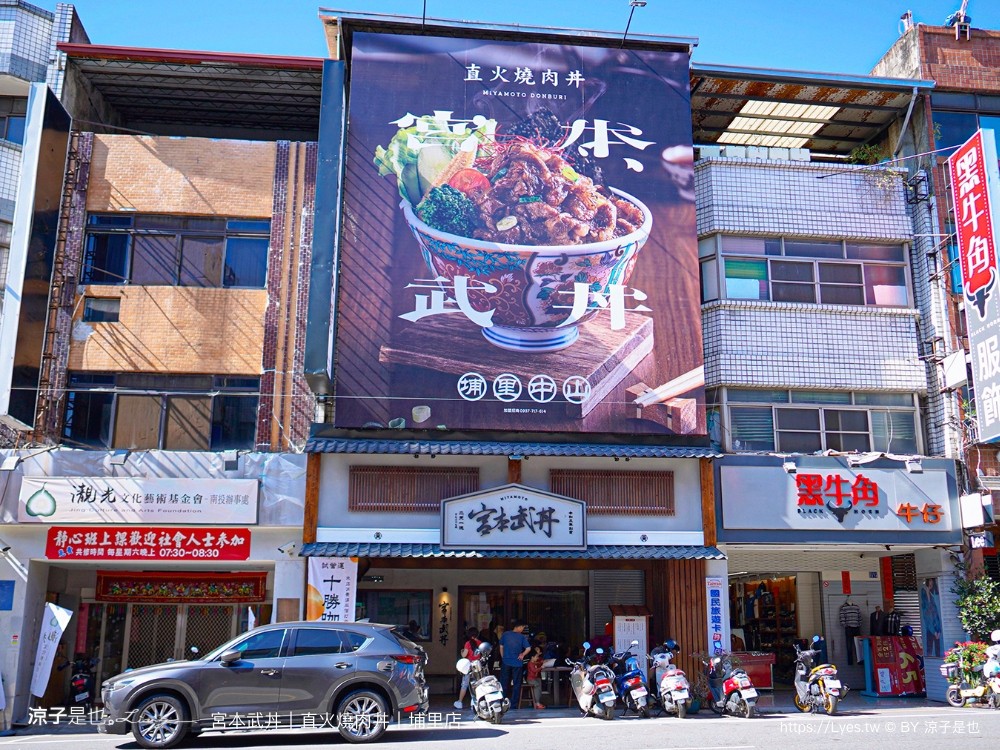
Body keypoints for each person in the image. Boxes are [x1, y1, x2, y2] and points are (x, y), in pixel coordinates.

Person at [499, 620, 531, 708]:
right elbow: (528, 648)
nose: (523, 629)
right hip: (517, 663)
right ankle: (514, 705)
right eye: (522, 627)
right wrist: (522, 654)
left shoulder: (505, 634)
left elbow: (501, 646)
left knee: (504, 683)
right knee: (517, 684)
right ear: (518, 627)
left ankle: (503, 702)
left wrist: (503, 657)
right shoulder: (521, 637)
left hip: (506, 662)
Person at [455, 626, 482, 710]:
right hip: (477, 665)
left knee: (465, 684)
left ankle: (459, 702)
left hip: (468, 666)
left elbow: (464, 655)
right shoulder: (480, 643)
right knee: (476, 684)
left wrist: (462, 651)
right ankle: (474, 702)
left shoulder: (467, 643)